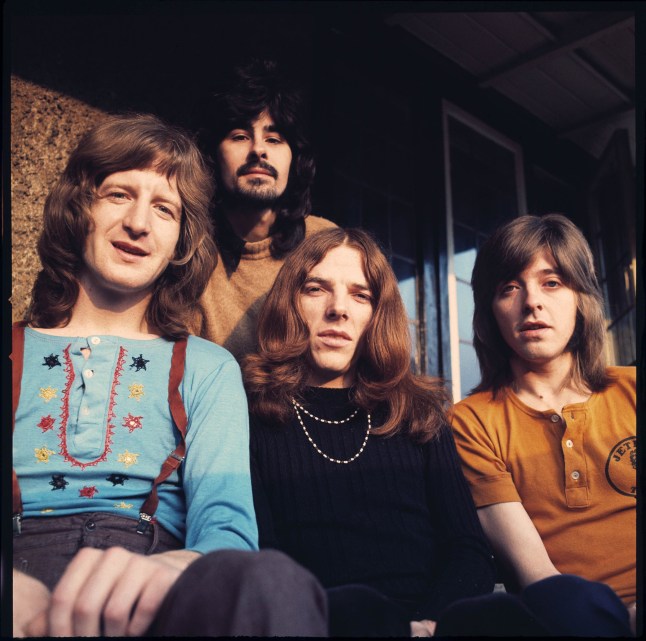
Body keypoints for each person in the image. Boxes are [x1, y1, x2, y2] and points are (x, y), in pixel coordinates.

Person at [11, 113, 328, 638]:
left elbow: (226, 532)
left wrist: (163, 573)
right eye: (118, 195)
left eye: (165, 209)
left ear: (182, 239)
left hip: (156, 592)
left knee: (274, 581)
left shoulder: (207, 367)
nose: (138, 223)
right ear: (77, 208)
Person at [244, 227, 497, 637]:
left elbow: (467, 551)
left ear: (378, 314)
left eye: (360, 295)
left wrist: (428, 623)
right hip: (325, 621)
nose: (338, 309)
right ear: (289, 303)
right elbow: (264, 556)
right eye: (316, 289)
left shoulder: (420, 414)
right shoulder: (253, 416)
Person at [450, 214, 636, 636]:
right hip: (568, 615)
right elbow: (536, 575)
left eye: (551, 282)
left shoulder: (634, 391)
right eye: (509, 288)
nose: (531, 301)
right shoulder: (473, 420)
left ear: (580, 298)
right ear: (491, 311)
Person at [190, 58, 336, 360]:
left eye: (274, 138)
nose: (259, 149)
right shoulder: (186, 246)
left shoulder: (328, 245)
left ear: (294, 159)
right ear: (213, 155)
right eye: (240, 136)